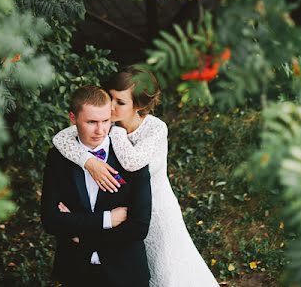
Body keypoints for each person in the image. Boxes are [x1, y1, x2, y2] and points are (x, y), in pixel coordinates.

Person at [53, 68, 219, 286]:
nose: (111, 106)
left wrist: (116, 132)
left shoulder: (155, 128)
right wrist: (89, 162)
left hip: (157, 213)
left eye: (120, 102)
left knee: (168, 274)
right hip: (124, 211)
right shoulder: (106, 121)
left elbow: (132, 162)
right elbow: (60, 138)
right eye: (110, 97)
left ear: (138, 106)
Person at [41, 85, 152, 287]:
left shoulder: (130, 156)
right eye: (91, 122)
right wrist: (107, 219)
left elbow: (139, 227)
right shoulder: (58, 157)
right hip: (75, 272)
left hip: (126, 274)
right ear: (73, 119)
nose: (100, 130)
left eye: (105, 121)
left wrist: (82, 236)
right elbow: (51, 220)